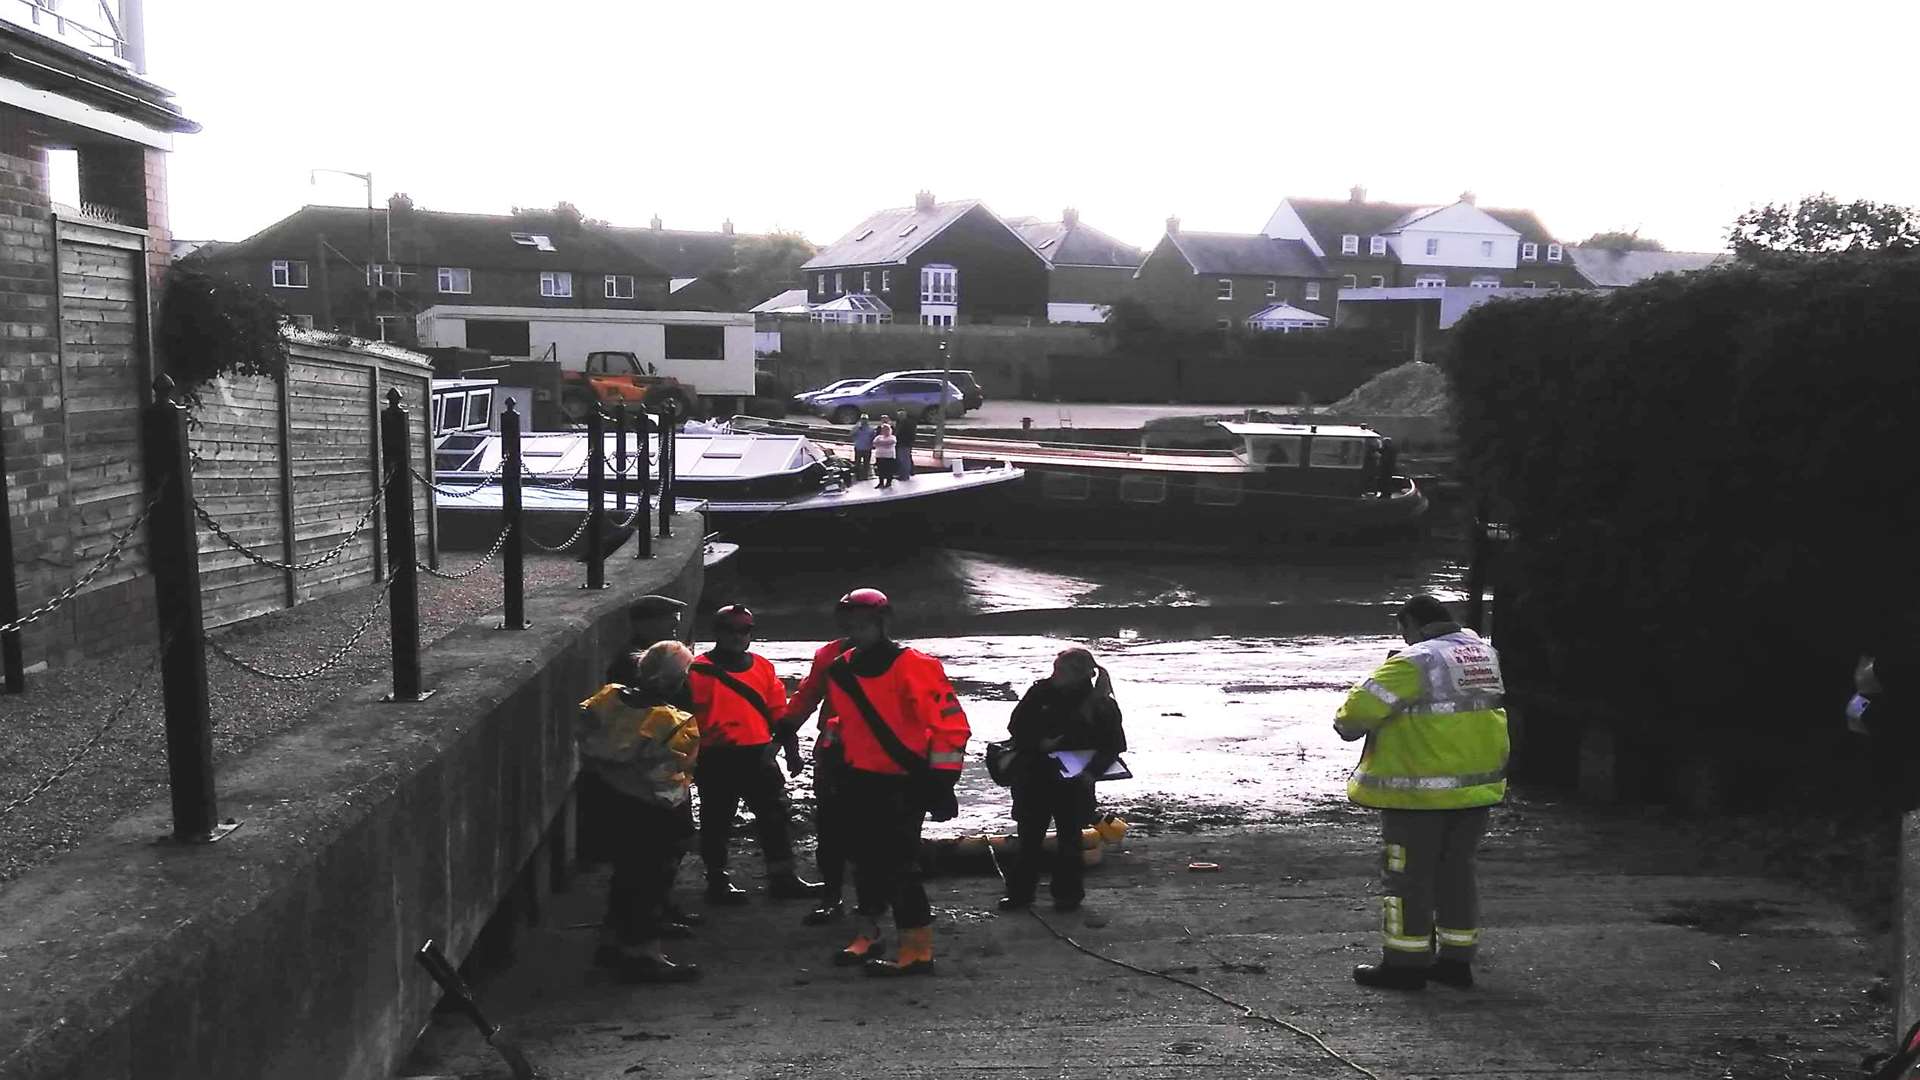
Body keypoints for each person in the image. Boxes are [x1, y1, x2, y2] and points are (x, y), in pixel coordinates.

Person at [1334, 594, 1509, 991]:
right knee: (1456, 873)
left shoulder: (1415, 661)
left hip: (1419, 794)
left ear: (1411, 625)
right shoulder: (1484, 654)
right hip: (1476, 789)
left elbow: (1352, 718)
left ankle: (1404, 965)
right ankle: (1455, 961)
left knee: (1407, 878)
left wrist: (1387, 669)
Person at [810, 587, 968, 976]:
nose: (856, 632)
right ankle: (869, 933)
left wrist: (943, 783)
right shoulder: (843, 667)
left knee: (900, 866)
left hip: (904, 782)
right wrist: (830, 759)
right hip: (858, 780)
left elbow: (950, 726)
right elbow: (843, 722)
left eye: (864, 625)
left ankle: (918, 950)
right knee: (864, 864)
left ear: (881, 624)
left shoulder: (915, 666)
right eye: (851, 625)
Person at [575, 640, 703, 983]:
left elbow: (584, 739)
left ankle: (612, 940)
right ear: (678, 681)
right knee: (650, 881)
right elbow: (669, 782)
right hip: (648, 810)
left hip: (604, 799)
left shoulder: (607, 699)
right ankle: (645, 952)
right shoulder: (674, 722)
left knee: (624, 875)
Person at [689, 605, 824, 904]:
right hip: (716, 756)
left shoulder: (763, 667)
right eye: (731, 630)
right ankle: (717, 880)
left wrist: (792, 753)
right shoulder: (696, 671)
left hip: (758, 755)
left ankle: (783, 878)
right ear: (717, 633)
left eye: (744, 630)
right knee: (716, 820)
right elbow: (685, 718)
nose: (738, 637)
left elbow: (779, 714)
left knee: (775, 818)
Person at [999, 647, 1126, 913]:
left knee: (1070, 841)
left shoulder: (1101, 703)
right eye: (1055, 669)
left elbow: (1113, 745)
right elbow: (1016, 727)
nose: (1055, 675)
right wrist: (1039, 742)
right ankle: (1020, 894)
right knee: (1028, 840)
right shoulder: (1040, 692)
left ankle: (1067, 895)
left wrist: (1091, 773)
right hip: (1034, 776)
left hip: (1075, 781)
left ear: (1079, 675)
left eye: (1061, 671)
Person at [778, 604, 861, 925]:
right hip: (836, 754)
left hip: (878, 757)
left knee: (878, 829)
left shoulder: (902, 662)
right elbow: (809, 694)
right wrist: (785, 729)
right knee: (830, 828)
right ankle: (832, 895)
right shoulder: (828, 657)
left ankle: (877, 897)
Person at [872, 420, 898, 489]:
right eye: (883, 429)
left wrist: (881, 443)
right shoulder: (878, 437)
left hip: (889, 457)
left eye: (886, 429)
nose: (885, 431)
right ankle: (881, 483)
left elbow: (891, 442)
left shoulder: (892, 437)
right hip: (879, 456)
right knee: (880, 470)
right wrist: (883, 443)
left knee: (889, 470)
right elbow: (874, 443)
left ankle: (888, 483)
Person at [893, 411, 917, 480]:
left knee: (904, 460)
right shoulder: (901, 423)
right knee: (903, 459)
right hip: (902, 443)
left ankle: (904, 475)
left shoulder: (907, 424)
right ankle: (903, 474)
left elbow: (907, 435)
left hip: (904, 444)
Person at [851, 415, 875, 481]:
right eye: (862, 419)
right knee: (857, 463)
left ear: (867, 420)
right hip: (858, 448)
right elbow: (851, 434)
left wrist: (872, 445)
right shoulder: (856, 428)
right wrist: (857, 428)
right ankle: (857, 476)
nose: (864, 420)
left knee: (866, 463)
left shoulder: (871, 429)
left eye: (865, 419)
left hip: (867, 448)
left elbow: (873, 438)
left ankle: (865, 476)